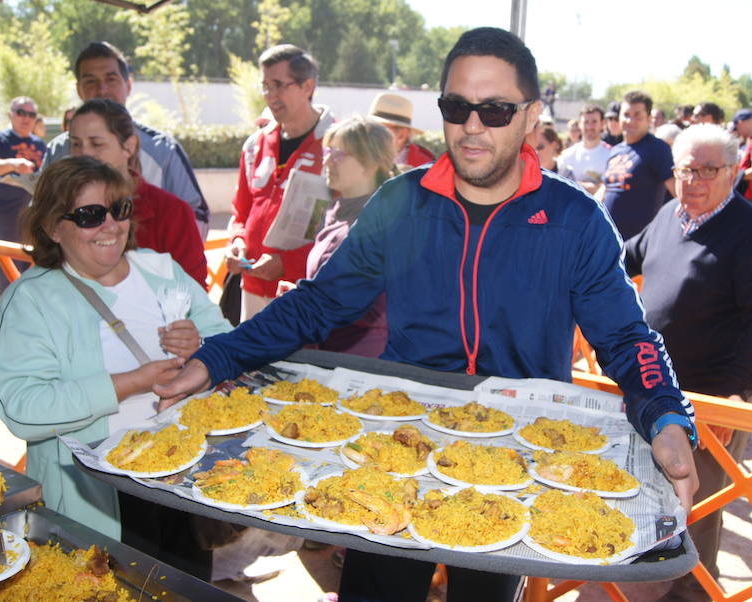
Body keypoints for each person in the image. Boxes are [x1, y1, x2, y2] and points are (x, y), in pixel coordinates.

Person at [156, 27, 698, 602]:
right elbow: (319, 301)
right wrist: (216, 358)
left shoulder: (575, 218)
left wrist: (665, 415)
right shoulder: (401, 203)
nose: (472, 125)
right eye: (456, 106)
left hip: (515, 461)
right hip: (399, 443)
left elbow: (625, 337)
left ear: (530, 115)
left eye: (494, 110)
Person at [0, 155, 230, 545]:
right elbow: (22, 408)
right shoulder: (31, 301)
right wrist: (128, 384)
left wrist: (199, 344)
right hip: (101, 496)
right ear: (51, 227)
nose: (110, 225)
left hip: (186, 476)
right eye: (89, 215)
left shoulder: (160, 270)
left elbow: (226, 342)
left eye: (119, 209)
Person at [624, 124, 752, 602]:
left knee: (695, 512)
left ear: (733, 172)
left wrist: (735, 394)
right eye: (684, 170)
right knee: (654, 505)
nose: (693, 180)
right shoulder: (669, 214)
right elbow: (627, 256)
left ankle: (691, 595)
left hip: (707, 400)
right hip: (654, 391)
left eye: (707, 170)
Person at [42, 41, 209, 237]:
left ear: (128, 85)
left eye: (111, 79)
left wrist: (145, 255)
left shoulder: (163, 150)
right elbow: (40, 214)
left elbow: (196, 219)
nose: (102, 89)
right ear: (79, 89)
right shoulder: (58, 150)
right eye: (90, 81)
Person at [225, 44, 335, 322]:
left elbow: (346, 225)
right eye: (265, 86)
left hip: (304, 292)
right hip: (251, 287)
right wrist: (237, 241)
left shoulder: (337, 146)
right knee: (250, 365)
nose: (270, 96)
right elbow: (241, 211)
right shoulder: (254, 145)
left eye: (278, 85)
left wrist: (287, 263)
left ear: (307, 86)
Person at [68, 98, 208, 286]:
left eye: (96, 144)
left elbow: (193, 291)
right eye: (76, 144)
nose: (84, 153)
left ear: (129, 146)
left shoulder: (171, 212)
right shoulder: (61, 206)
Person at [300, 116, 397, 355]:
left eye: (340, 154)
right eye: (328, 151)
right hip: (327, 350)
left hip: (363, 360)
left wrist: (306, 302)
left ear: (371, 162)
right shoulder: (334, 209)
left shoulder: (384, 219)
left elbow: (365, 303)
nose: (327, 161)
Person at [0, 96, 46, 292]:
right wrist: (13, 164)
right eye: (21, 112)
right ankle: (7, 317)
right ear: (11, 115)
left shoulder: (40, 144)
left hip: (36, 217)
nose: (26, 118)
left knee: (35, 271)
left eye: (31, 114)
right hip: (8, 216)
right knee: (8, 271)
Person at [597, 90, 675, 240]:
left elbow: (678, 192)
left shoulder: (657, 149)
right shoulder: (615, 150)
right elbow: (605, 189)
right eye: (626, 115)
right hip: (608, 239)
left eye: (637, 115)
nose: (630, 120)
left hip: (639, 244)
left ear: (649, 118)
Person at [367, 91, 434, 168]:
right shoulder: (358, 157)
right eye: (368, 128)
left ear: (401, 136)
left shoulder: (425, 168)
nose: (369, 135)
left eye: (378, 131)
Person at [556, 103, 611, 194]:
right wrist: (594, 187)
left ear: (602, 124)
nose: (589, 127)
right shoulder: (567, 155)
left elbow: (610, 189)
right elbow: (561, 187)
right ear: (580, 124)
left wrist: (577, 185)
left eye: (594, 122)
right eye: (586, 122)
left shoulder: (611, 155)